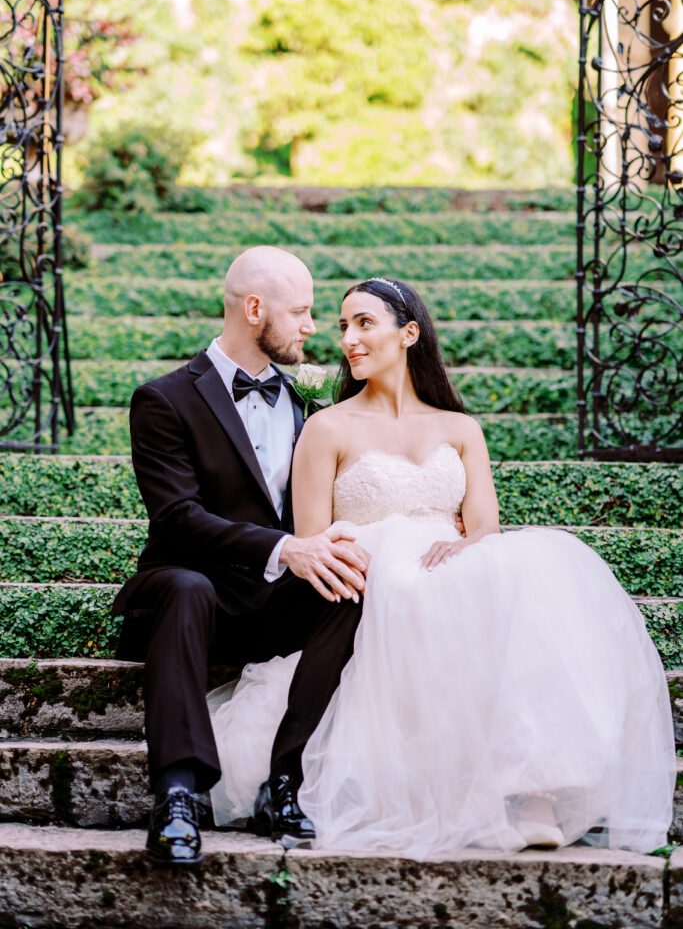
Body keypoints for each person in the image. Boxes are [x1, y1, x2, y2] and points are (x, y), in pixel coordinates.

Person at [207, 277, 676, 858]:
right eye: (342, 327)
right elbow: (312, 542)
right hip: (363, 581)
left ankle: (531, 790)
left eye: (363, 323)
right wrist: (387, 559)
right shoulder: (327, 427)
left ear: (409, 334)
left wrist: (464, 547)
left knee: (534, 565)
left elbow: (483, 526)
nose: (349, 339)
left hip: (448, 569)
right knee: (405, 581)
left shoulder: (460, 430)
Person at [111, 247, 373, 866]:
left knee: (352, 582)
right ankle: (176, 792)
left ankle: (286, 782)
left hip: (268, 601)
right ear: (255, 309)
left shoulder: (307, 406)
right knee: (187, 587)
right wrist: (286, 547)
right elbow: (178, 519)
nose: (313, 327)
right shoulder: (164, 399)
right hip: (187, 589)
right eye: (302, 311)